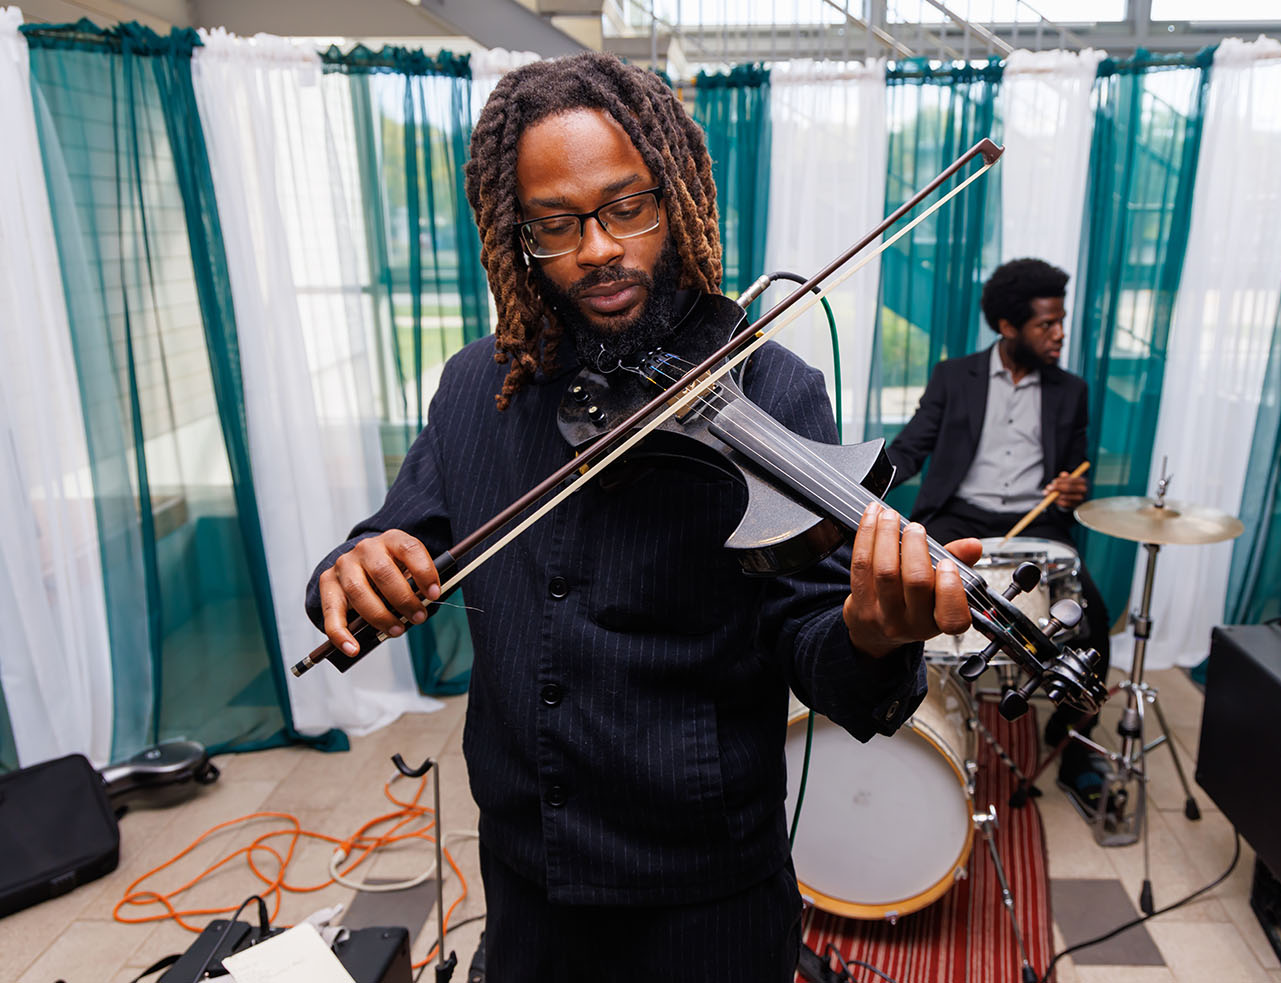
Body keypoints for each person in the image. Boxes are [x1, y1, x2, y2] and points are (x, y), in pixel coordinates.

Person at [304, 53, 981, 982]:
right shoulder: (478, 388)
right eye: (554, 224)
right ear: (518, 236)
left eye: (627, 207)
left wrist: (870, 631)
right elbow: (403, 532)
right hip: (524, 867)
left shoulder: (772, 390)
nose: (596, 248)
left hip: (702, 889)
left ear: (678, 195)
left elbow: (817, 646)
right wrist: (354, 563)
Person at [885, 257, 1111, 809]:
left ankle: (1071, 740)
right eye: (1046, 325)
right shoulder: (952, 377)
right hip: (961, 515)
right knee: (907, 596)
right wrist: (856, 488)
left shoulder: (1070, 390)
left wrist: (1074, 487)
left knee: (1095, 623)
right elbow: (912, 448)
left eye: (1061, 321)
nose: (1059, 334)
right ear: (1009, 328)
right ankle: (903, 723)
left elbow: (1076, 467)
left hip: (1039, 521)